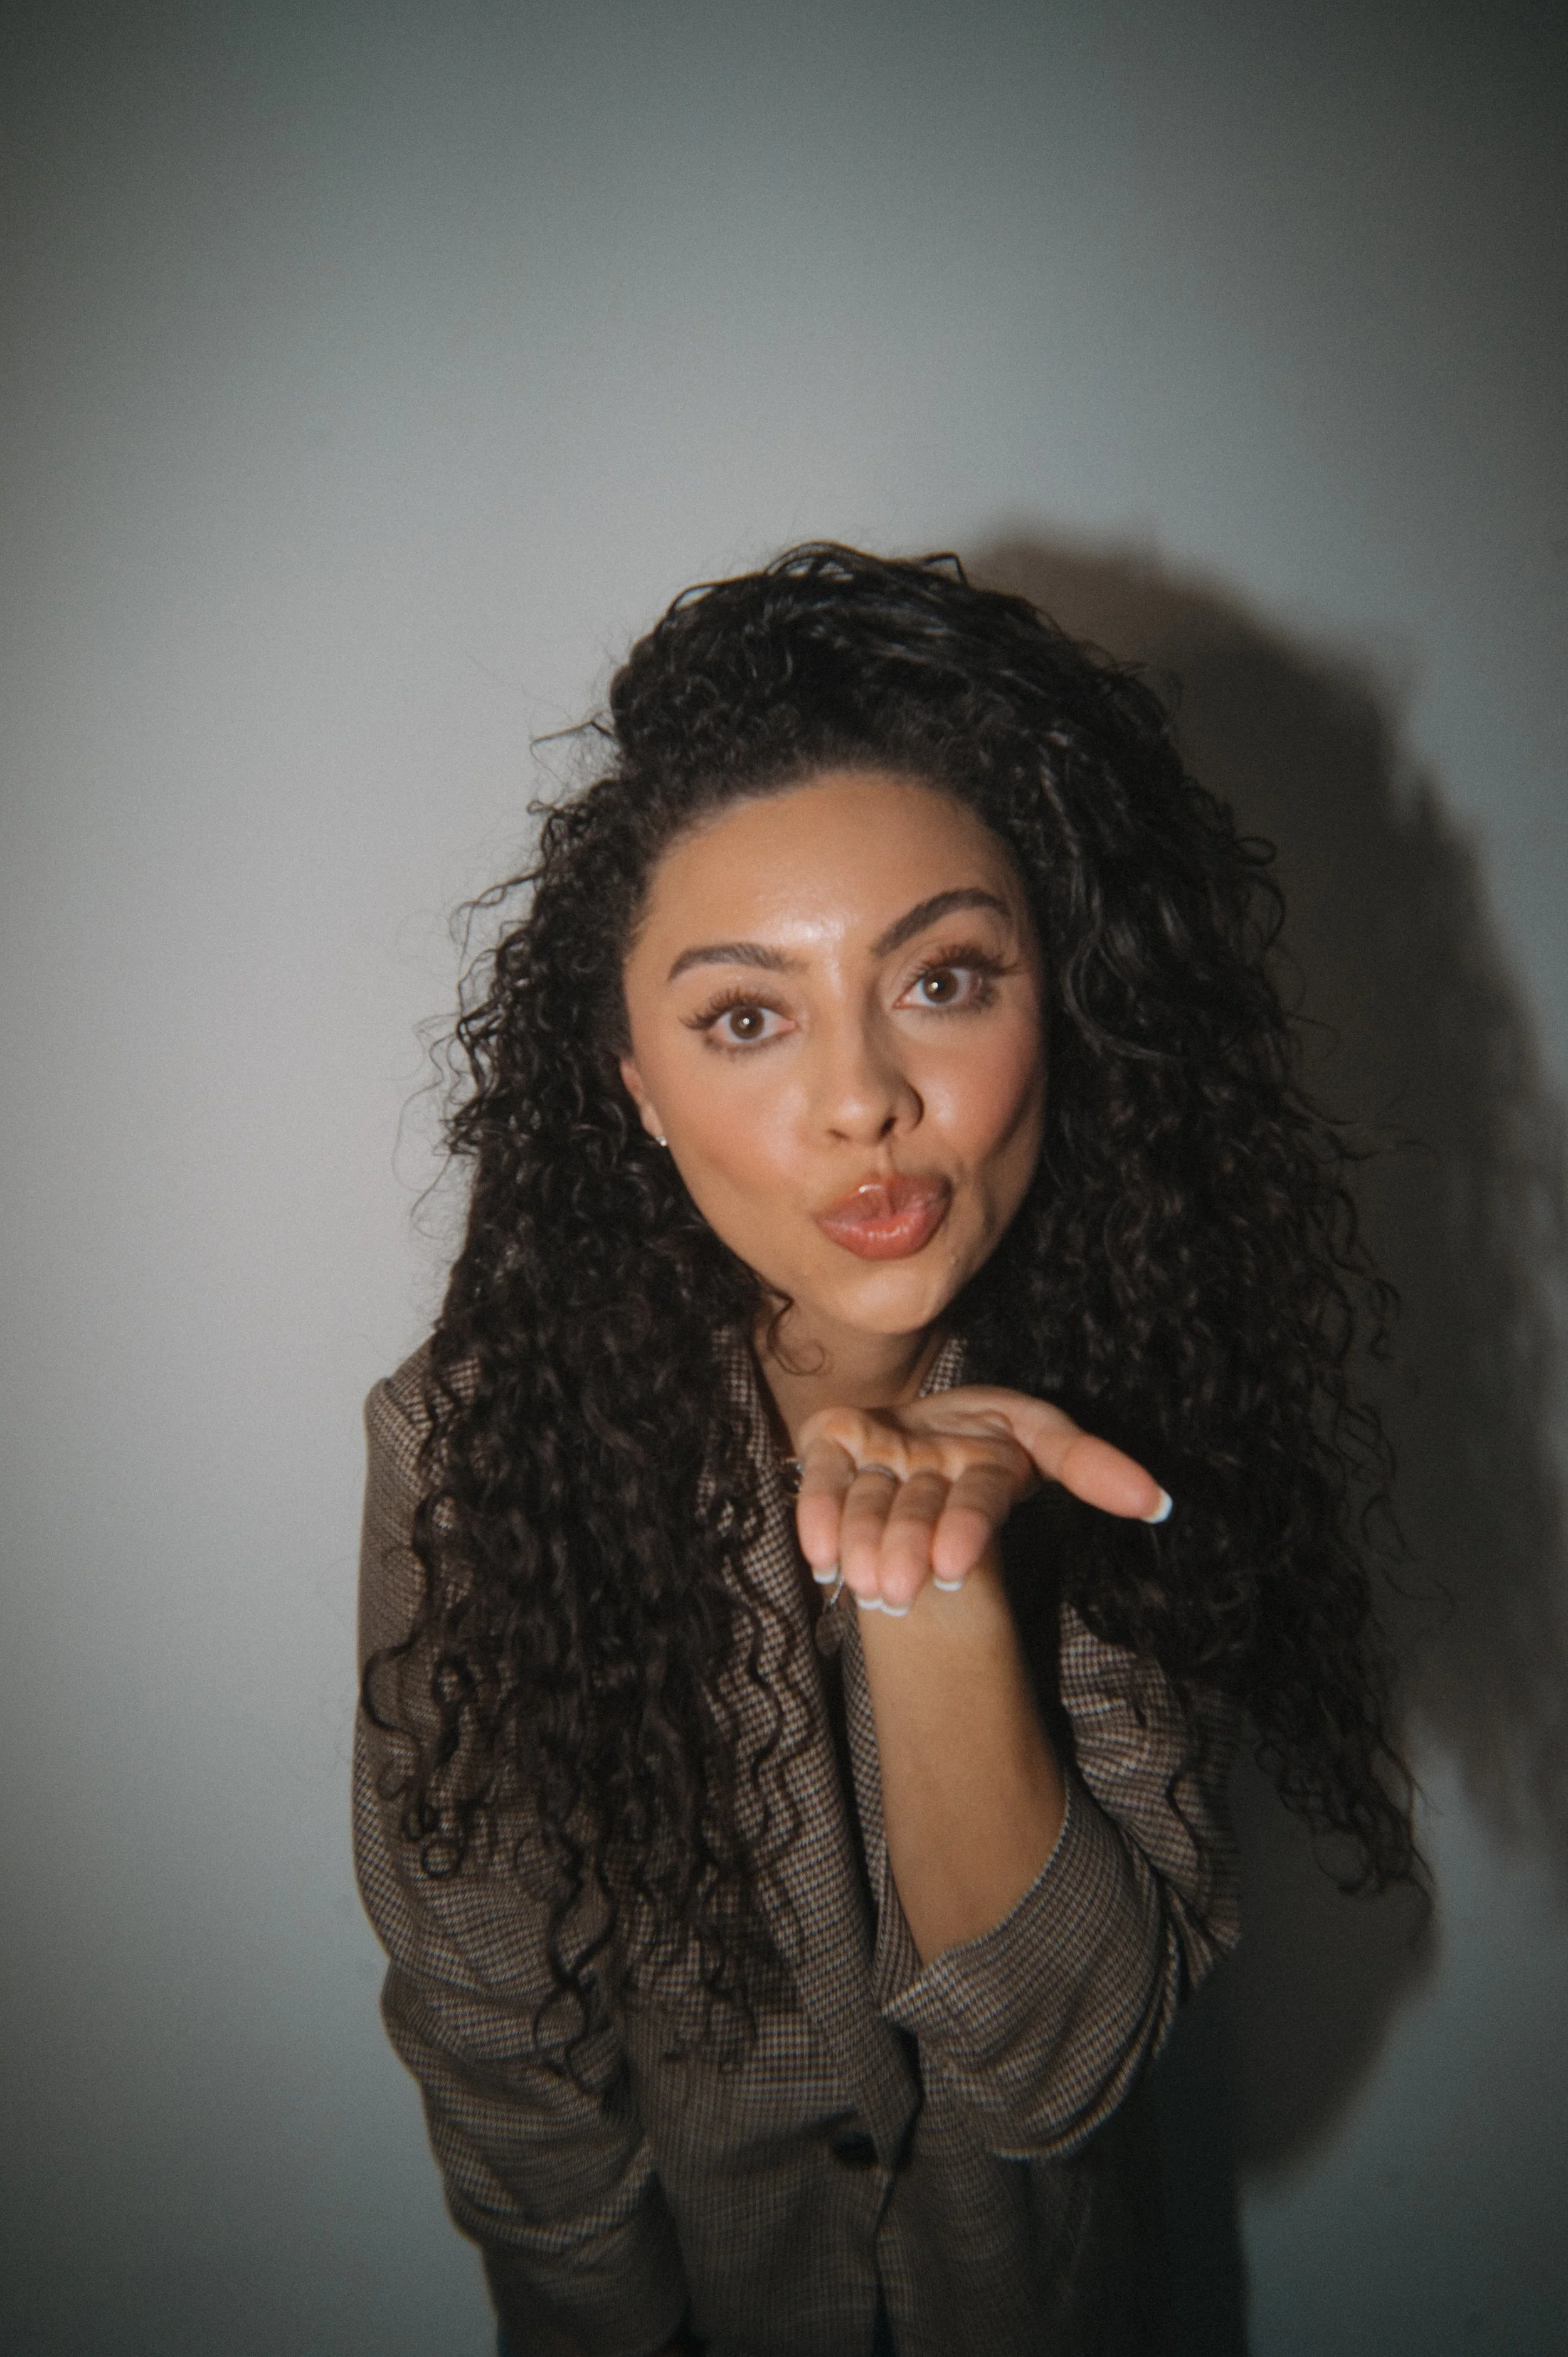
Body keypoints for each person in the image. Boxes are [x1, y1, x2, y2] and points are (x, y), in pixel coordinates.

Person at [354, 545, 1415, 2357]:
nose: (862, 1098)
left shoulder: (1133, 1397)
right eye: (746, 1017)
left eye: (942, 980)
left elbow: (1062, 2059)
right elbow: (493, 2025)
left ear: (1055, 1006)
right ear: (633, 1081)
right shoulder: (475, 1444)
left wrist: (933, 1585)